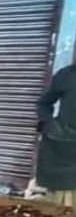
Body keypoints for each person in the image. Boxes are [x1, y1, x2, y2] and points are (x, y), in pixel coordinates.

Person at [36, 64, 76, 206]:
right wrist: (50, 125)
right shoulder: (67, 75)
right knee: (61, 211)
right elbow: (44, 103)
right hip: (65, 152)